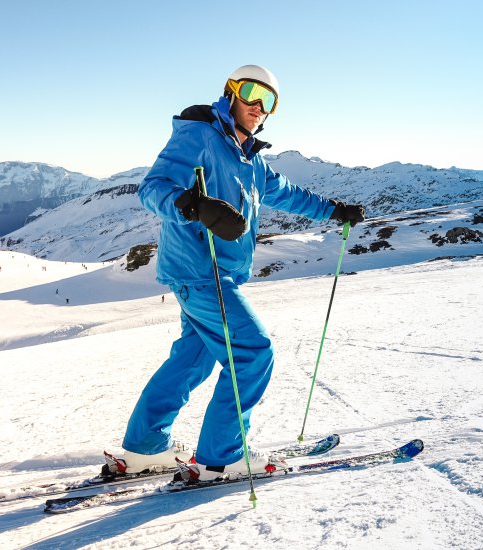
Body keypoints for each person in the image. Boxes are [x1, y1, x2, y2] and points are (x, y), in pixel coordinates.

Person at [122, 65, 364, 480]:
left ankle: (146, 446)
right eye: (251, 93)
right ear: (230, 93)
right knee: (253, 352)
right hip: (201, 271)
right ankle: (222, 457)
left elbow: (287, 193)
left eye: (268, 100)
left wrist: (333, 210)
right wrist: (194, 206)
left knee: (192, 359)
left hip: (218, 274)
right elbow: (153, 187)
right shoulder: (199, 135)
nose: (257, 106)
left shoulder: (252, 159)